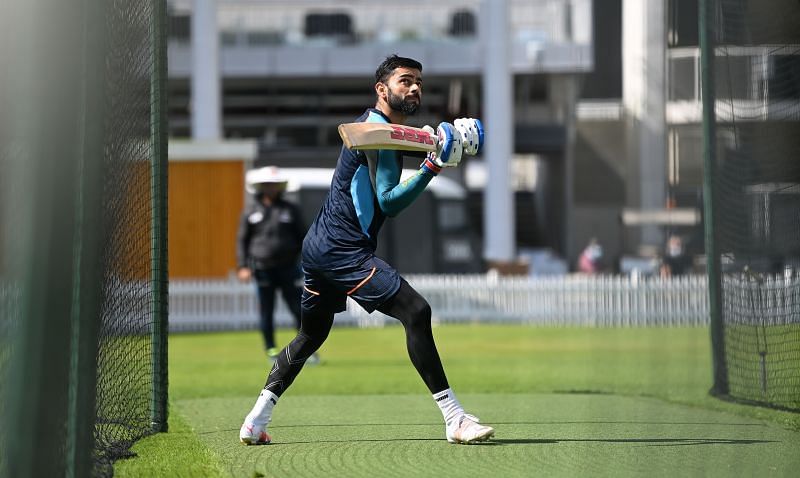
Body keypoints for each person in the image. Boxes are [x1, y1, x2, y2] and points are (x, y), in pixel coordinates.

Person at [238, 54, 494, 446]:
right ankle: (455, 419)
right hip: (343, 250)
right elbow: (389, 201)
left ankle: (256, 420)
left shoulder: (381, 128)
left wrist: (439, 141)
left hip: (319, 247)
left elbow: (402, 147)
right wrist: (433, 166)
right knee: (417, 311)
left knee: (310, 336)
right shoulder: (378, 130)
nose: (414, 88)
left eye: (419, 82)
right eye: (405, 80)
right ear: (382, 89)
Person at [236, 166, 318, 364]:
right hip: (262, 269)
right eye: (267, 185)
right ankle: (271, 350)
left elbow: (304, 238)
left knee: (298, 310)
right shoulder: (250, 211)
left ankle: (305, 350)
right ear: (261, 187)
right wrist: (243, 266)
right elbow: (242, 240)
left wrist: (305, 261)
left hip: (288, 268)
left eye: (274, 185)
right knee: (266, 311)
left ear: (280, 187)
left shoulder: (291, 210)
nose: (271, 188)